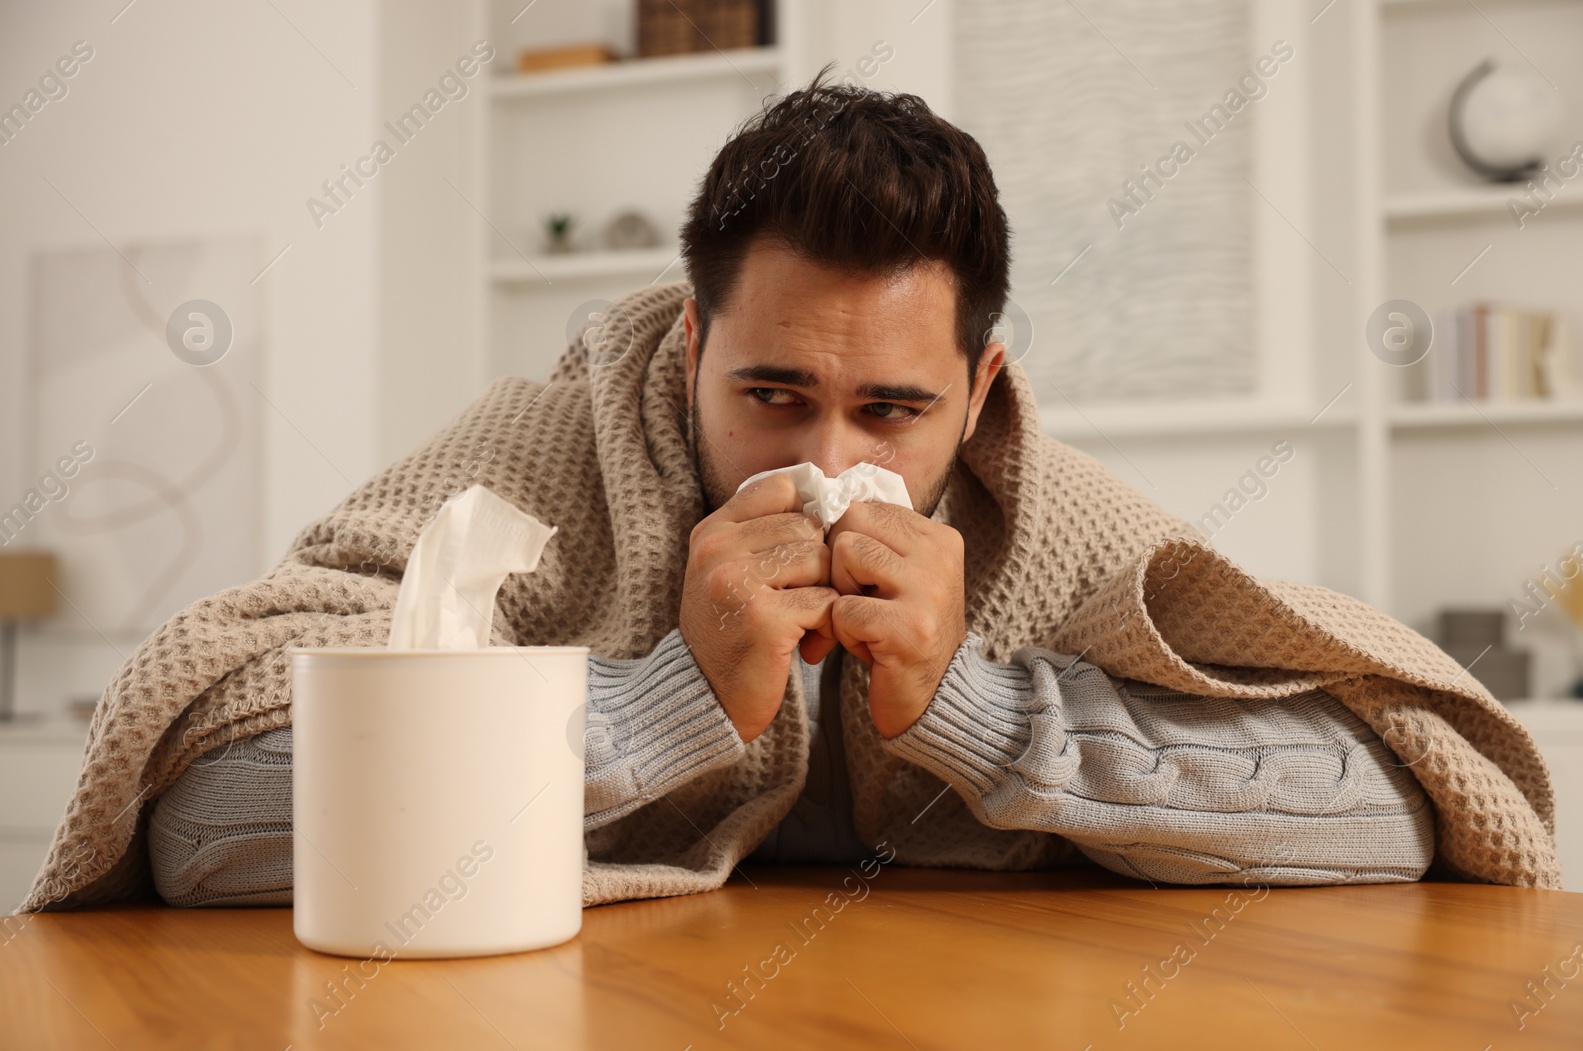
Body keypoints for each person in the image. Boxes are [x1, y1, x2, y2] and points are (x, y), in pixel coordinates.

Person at [144, 69, 1434, 907]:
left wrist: (981, 714)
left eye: (892, 410)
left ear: (978, 393)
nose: (826, 464)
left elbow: (1396, 809)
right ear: (693, 353)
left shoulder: (1045, 516)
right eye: (772, 396)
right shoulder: (539, 454)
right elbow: (202, 822)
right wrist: (661, 705)